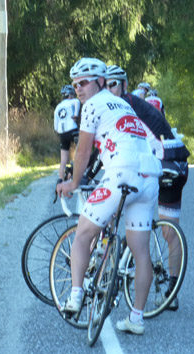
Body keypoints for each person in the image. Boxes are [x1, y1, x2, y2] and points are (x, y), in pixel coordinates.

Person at [56, 58, 162, 335]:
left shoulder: (93, 105)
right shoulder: (123, 104)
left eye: (84, 82)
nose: (79, 89)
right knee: (141, 252)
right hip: (149, 176)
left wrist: (73, 182)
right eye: (75, 84)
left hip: (122, 174)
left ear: (100, 81)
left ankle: (75, 296)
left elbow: (83, 151)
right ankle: (136, 319)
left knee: (83, 235)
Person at [106, 65, 189, 310]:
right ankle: (170, 294)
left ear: (124, 85)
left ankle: (121, 268)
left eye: (113, 84)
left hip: (161, 164)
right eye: (105, 85)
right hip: (177, 162)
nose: (109, 89)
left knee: (115, 207)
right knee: (169, 232)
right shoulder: (134, 102)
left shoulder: (122, 106)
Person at [54, 85, 80, 184]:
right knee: (80, 152)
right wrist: (76, 115)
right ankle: (74, 172)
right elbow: (77, 102)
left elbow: (55, 127)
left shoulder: (57, 107)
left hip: (62, 133)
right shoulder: (71, 101)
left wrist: (60, 130)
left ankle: (60, 180)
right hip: (72, 130)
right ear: (70, 94)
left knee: (63, 159)